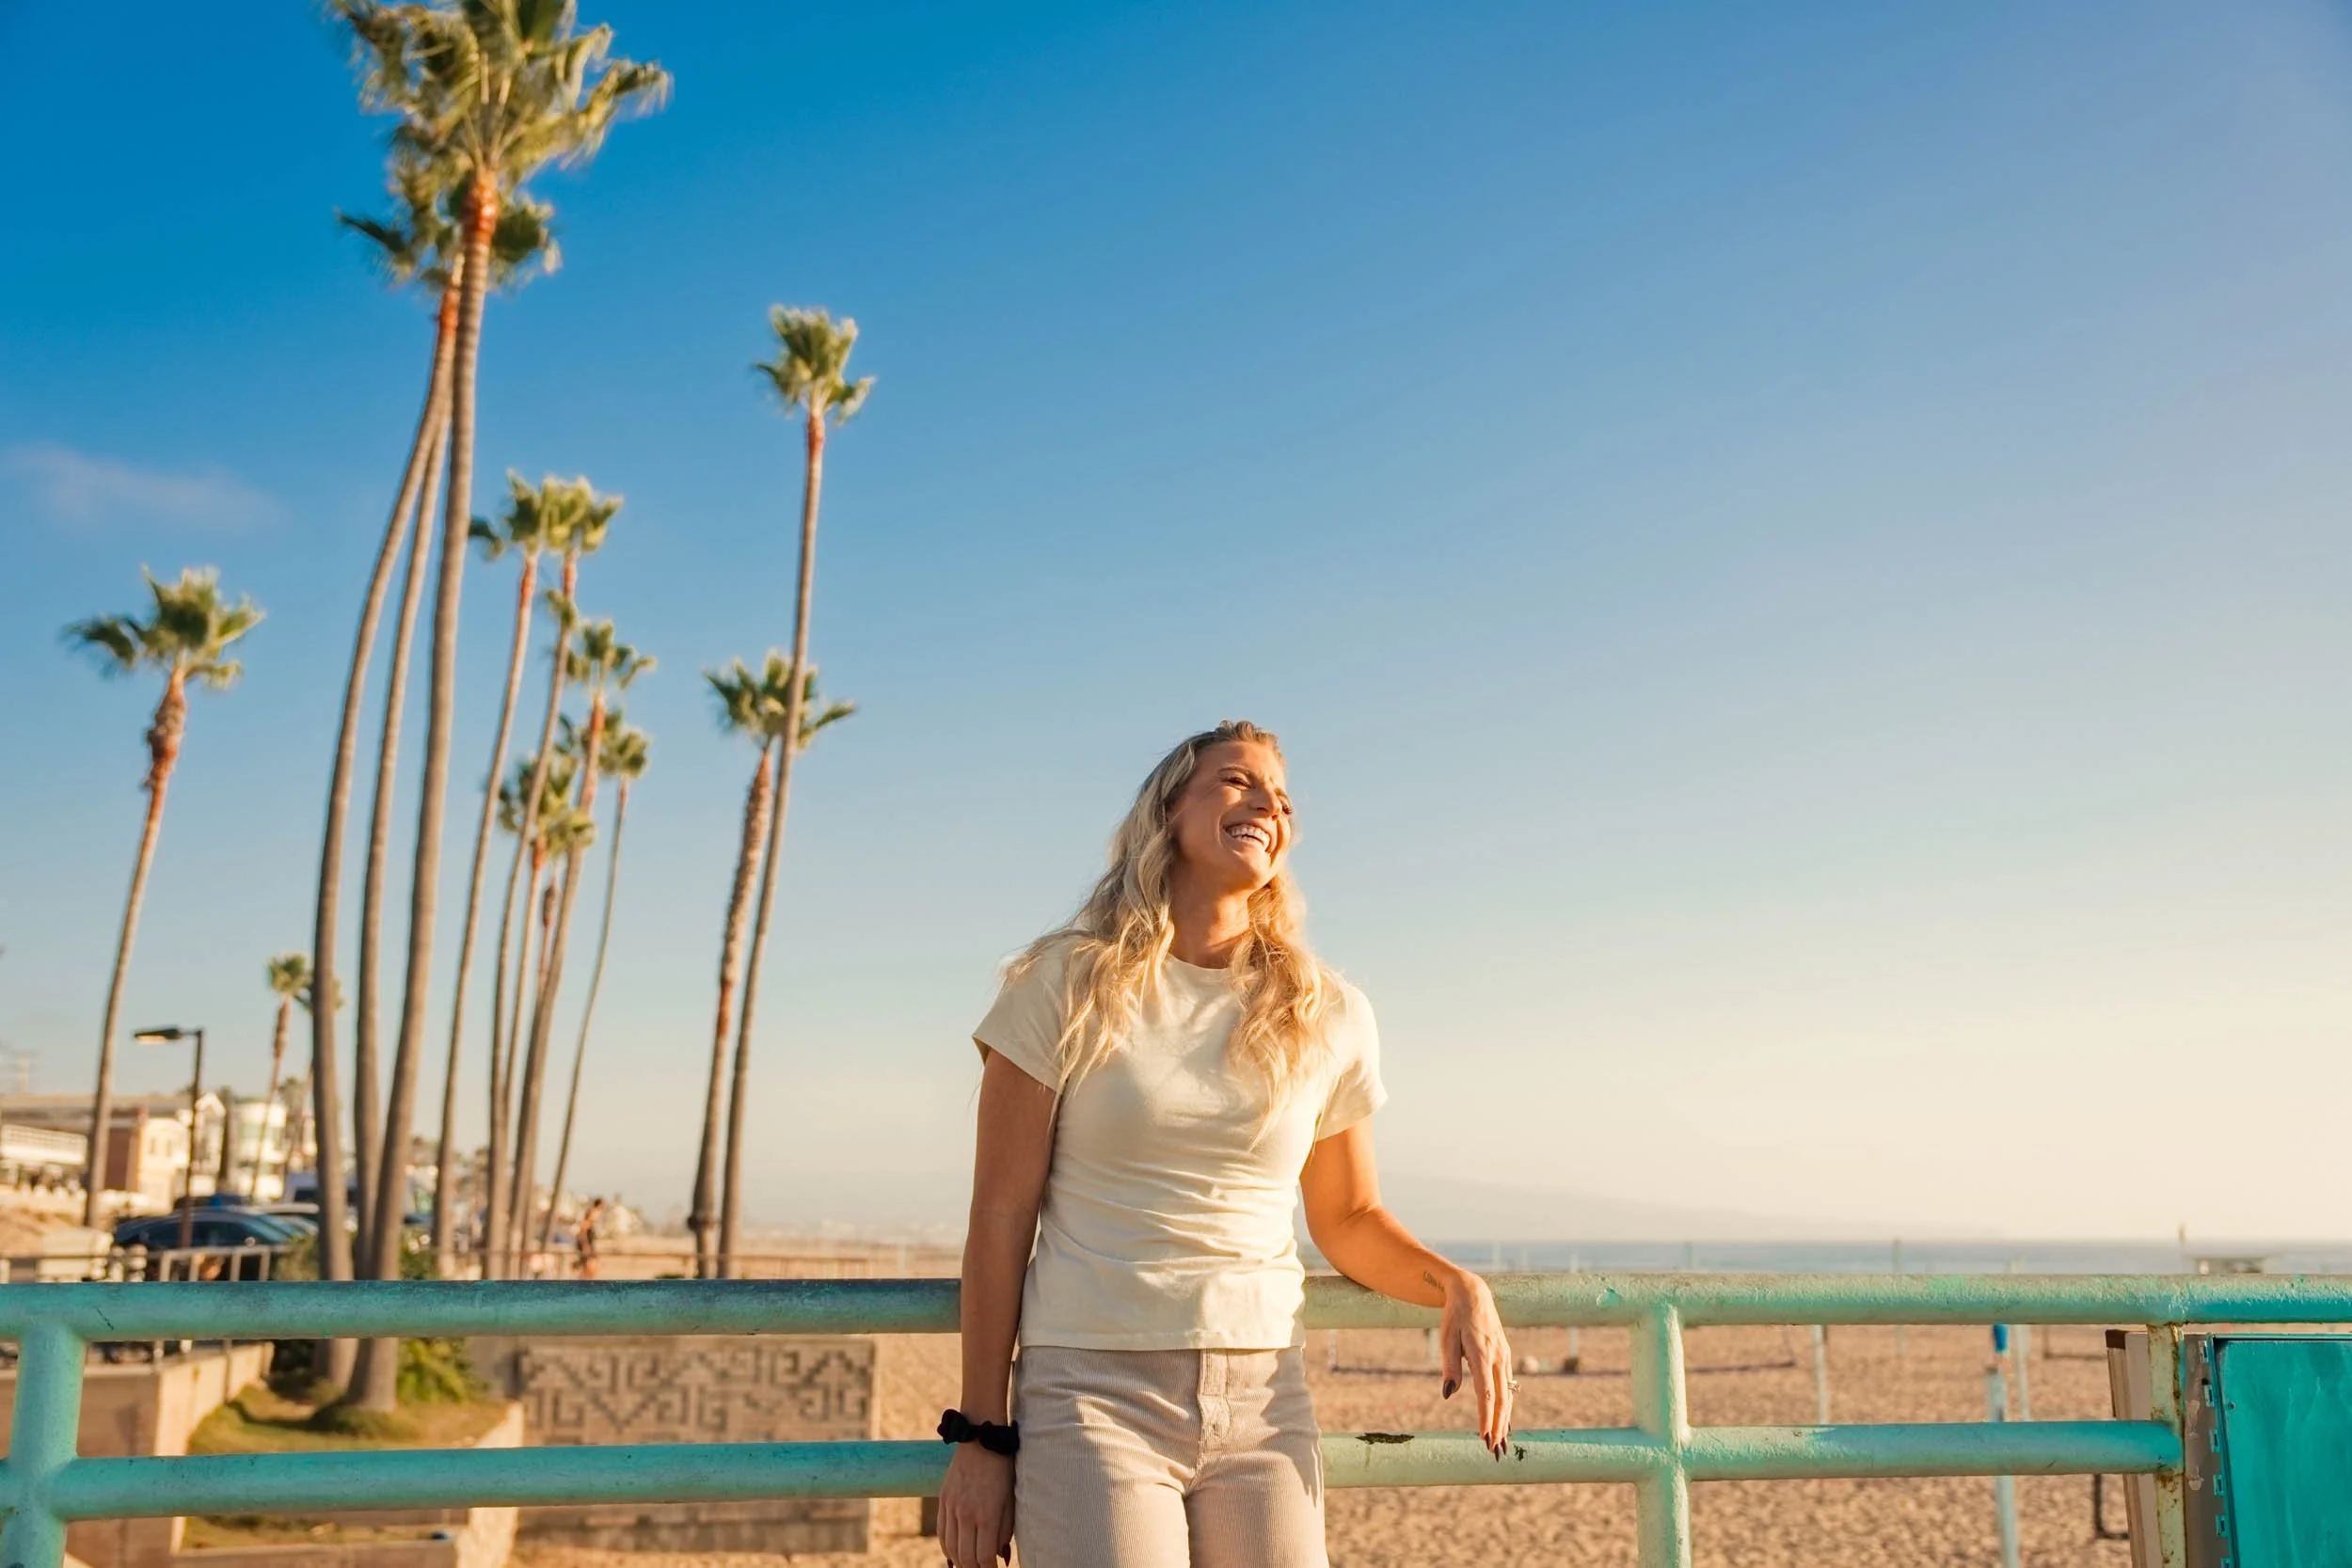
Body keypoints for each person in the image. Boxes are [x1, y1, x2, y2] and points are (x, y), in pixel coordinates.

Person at [936, 721, 1514, 1568]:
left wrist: (1455, 1285)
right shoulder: (1063, 982)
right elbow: (999, 1213)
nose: (1266, 804)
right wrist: (982, 1435)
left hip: (1267, 1397)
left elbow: (1349, 1216)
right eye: (1237, 781)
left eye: (1279, 797)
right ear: (1168, 811)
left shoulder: (1328, 1011)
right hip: (1092, 1394)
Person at [574, 1196, 607, 1280]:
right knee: (589, 1268)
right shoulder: (593, 1212)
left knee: (590, 1268)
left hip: (588, 1243)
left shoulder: (595, 1213)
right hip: (586, 1244)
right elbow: (583, 1229)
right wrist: (585, 1245)